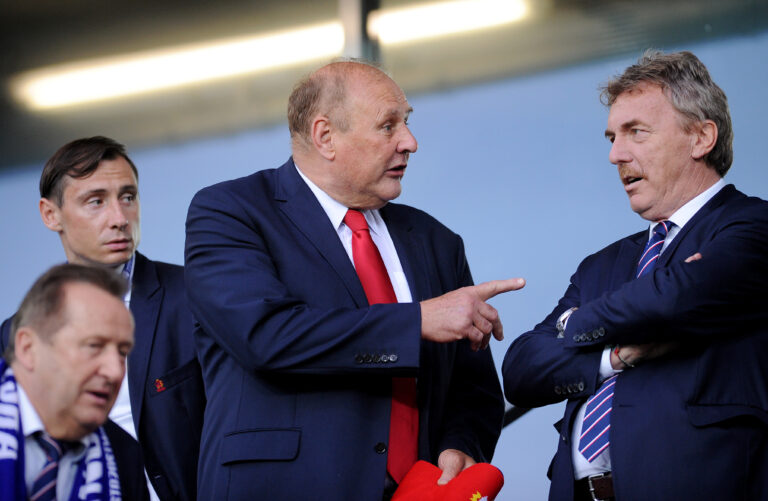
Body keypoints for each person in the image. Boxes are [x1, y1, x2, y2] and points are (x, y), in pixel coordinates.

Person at [185, 59, 524, 500]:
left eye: (407, 123)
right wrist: (415, 322)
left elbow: (473, 388)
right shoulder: (230, 211)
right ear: (325, 136)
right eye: (389, 126)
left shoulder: (437, 242)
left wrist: (461, 445)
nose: (410, 142)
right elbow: (265, 335)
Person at [503, 50, 768, 500]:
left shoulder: (752, 227)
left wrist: (575, 322)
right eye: (611, 137)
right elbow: (522, 370)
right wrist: (614, 357)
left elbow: (672, 299)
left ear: (701, 138)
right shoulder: (600, 265)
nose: (614, 154)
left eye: (636, 133)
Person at [0, 137, 204, 501]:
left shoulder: (195, 295)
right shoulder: (17, 336)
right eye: (96, 201)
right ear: (51, 215)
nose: (120, 218)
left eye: (128, 197)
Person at [0, 264, 149, 501]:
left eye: (122, 352)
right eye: (94, 346)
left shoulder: (126, 456)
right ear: (28, 348)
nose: (114, 371)